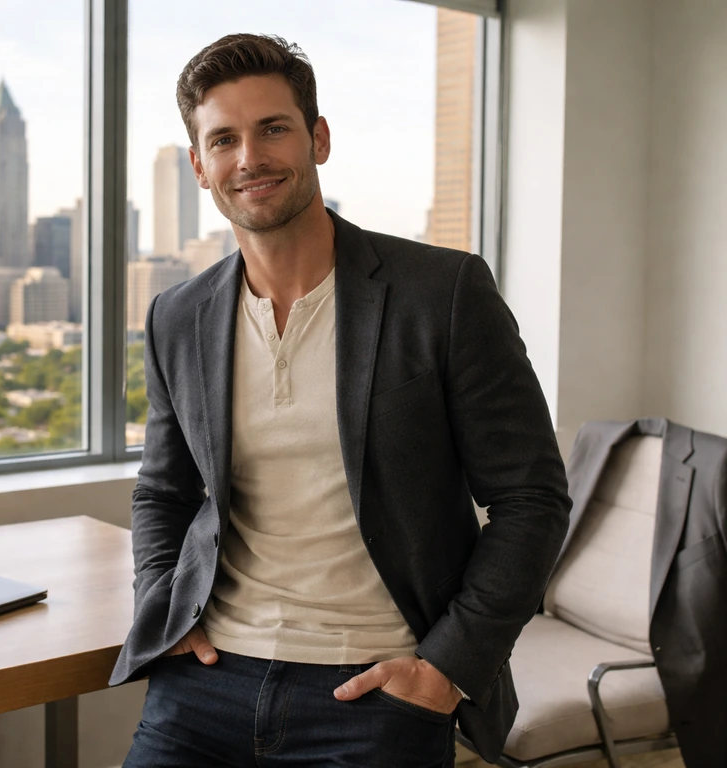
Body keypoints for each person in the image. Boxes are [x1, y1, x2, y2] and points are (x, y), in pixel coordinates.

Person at [110, 33, 571, 768]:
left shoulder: (442, 293)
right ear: (200, 167)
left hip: (376, 690)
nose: (250, 158)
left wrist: (448, 666)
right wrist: (163, 611)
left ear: (318, 138)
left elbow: (532, 497)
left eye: (273, 129)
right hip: (205, 681)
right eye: (224, 140)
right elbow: (163, 492)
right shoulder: (177, 316)